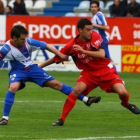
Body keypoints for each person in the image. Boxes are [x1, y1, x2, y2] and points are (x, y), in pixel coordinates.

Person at [40, 18, 140, 126]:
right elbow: (58, 57)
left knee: (123, 93)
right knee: (76, 90)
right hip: (89, 73)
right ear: (80, 30)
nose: (90, 32)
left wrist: (83, 51)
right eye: (88, 30)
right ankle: (61, 120)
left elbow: (102, 54)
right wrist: (40, 66)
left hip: (105, 70)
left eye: (91, 29)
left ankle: (126, 104)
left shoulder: (95, 36)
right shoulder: (72, 45)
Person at [0, 25, 101, 125]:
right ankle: (5, 118)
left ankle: (86, 99)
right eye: (22, 39)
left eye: (25, 38)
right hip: (17, 71)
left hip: (32, 69)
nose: (24, 41)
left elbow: (46, 45)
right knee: (13, 87)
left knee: (57, 84)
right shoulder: (5, 49)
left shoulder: (28, 42)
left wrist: (60, 55)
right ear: (14, 38)